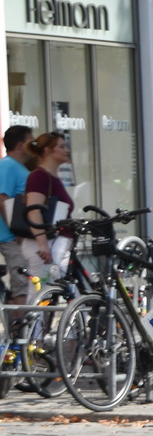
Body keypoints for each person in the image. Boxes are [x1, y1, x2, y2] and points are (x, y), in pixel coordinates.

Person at [18, 132, 76, 278]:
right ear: (47, 150)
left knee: (61, 289)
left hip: (55, 242)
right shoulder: (40, 176)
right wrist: (43, 244)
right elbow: (33, 210)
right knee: (42, 290)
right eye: (61, 146)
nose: (67, 150)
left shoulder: (52, 176)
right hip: (46, 244)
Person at [0, 125, 33, 305]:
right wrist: (16, 232)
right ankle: (17, 332)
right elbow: (2, 199)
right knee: (21, 285)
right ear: (20, 145)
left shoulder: (19, 168)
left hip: (16, 236)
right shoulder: (7, 166)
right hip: (10, 237)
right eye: (31, 141)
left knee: (23, 284)